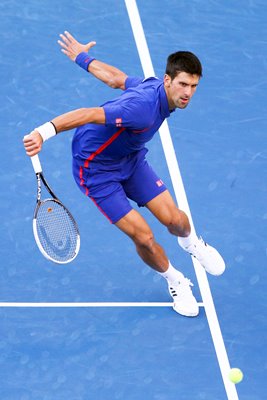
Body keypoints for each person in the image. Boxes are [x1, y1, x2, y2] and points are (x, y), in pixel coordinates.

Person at [23, 31, 225, 317]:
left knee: (176, 220)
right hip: (95, 172)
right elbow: (88, 113)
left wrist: (82, 57)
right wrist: (44, 132)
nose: (187, 93)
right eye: (182, 84)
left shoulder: (154, 88)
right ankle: (176, 280)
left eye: (193, 86)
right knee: (143, 237)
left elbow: (116, 79)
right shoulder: (141, 108)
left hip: (129, 160)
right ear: (167, 81)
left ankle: (192, 243)